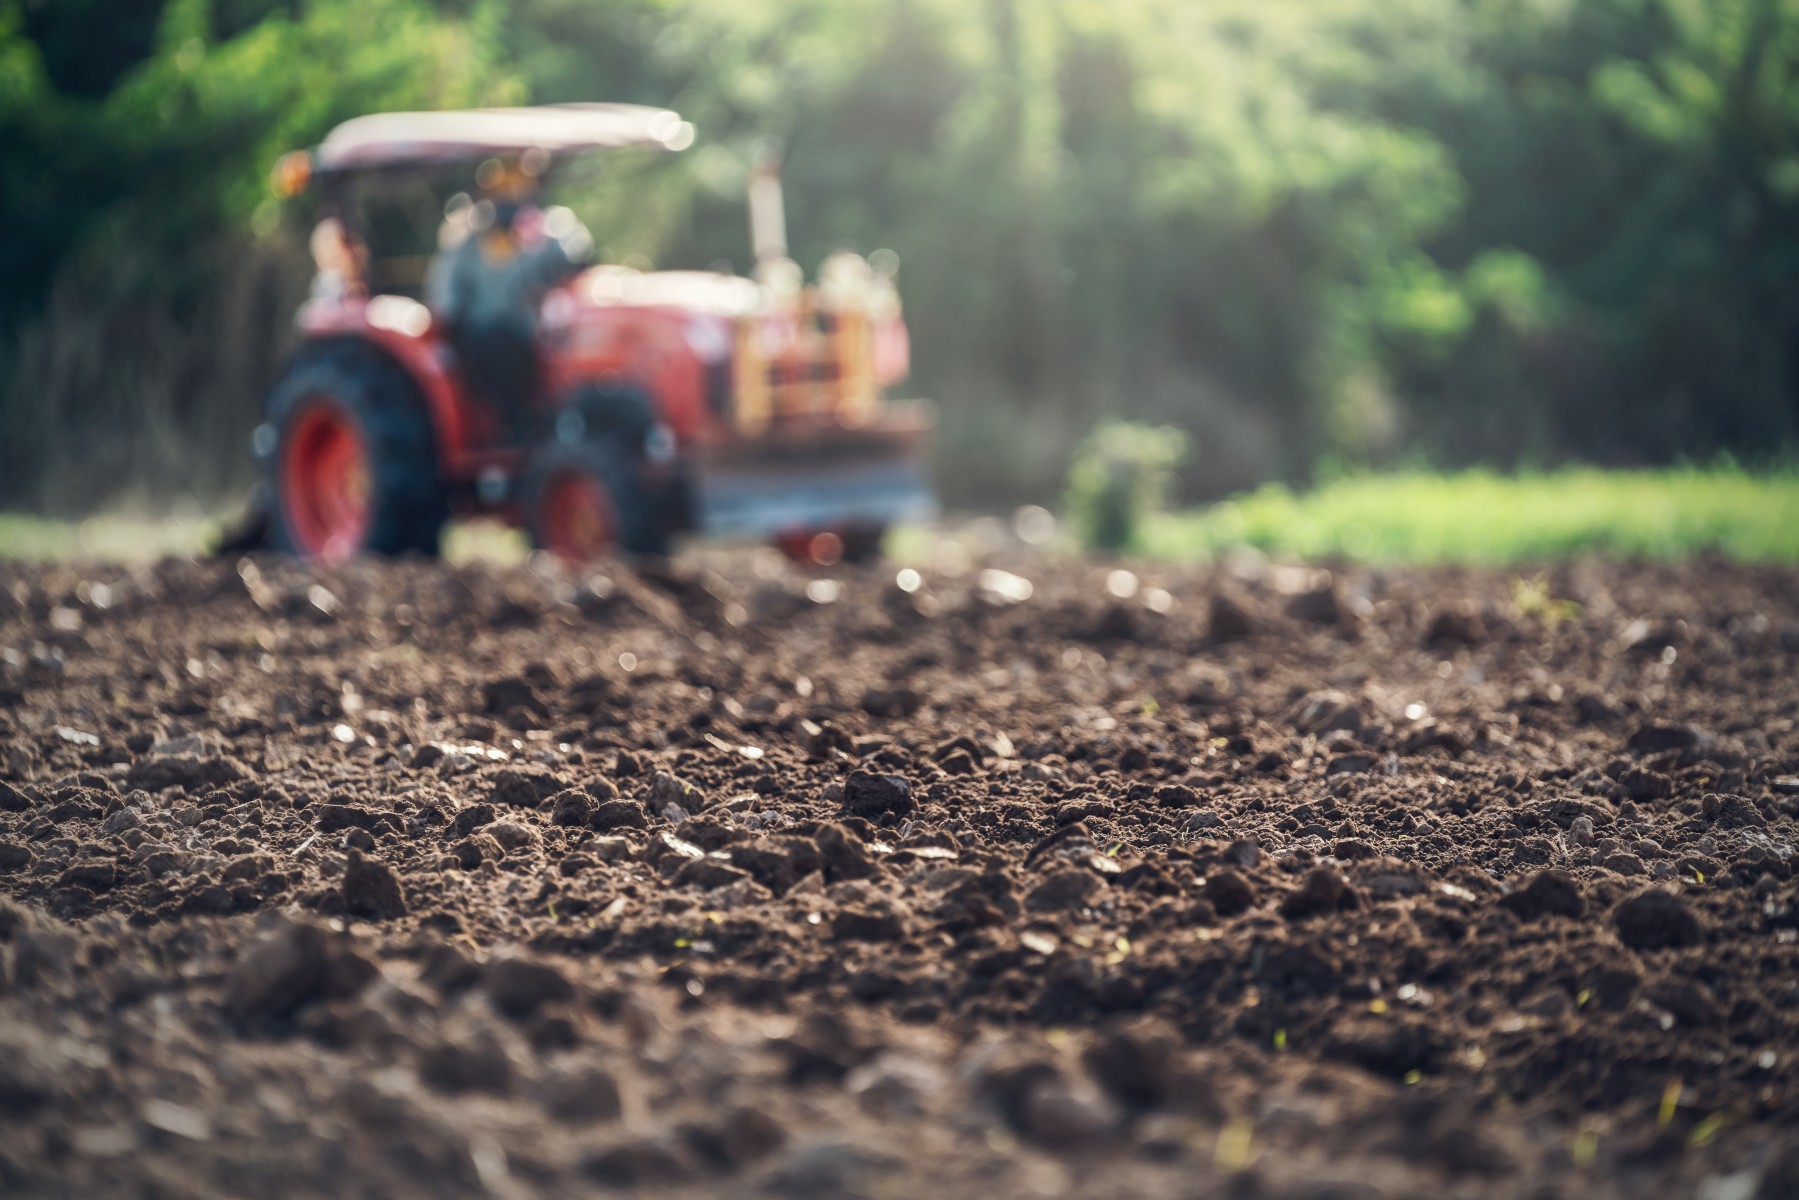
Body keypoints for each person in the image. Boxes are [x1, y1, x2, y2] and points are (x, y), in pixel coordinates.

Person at [426, 155, 594, 439]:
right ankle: (514, 425)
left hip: (537, 334)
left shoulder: (548, 231)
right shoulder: (464, 241)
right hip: (483, 342)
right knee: (495, 341)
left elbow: (578, 259)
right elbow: (446, 301)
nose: (510, 200)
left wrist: (545, 238)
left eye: (519, 191)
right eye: (501, 192)